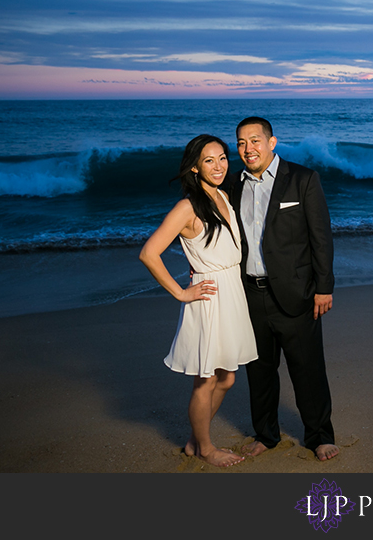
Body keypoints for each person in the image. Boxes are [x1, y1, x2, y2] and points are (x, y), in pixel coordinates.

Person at [139, 134, 258, 468]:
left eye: (222, 158)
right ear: (194, 167)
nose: (219, 166)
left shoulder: (222, 196)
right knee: (206, 379)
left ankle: (196, 439)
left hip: (231, 290)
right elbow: (149, 253)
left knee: (228, 378)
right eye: (209, 160)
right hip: (208, 297)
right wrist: (181, 292)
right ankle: (206, 447)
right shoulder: (187, 207)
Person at [229, 116, 339, 461]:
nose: (249, 149)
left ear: (272, 142)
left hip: (297, 293)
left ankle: (320, 436)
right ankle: (266, 434)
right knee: (259, 372)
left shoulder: (303, 179)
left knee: (307, 369)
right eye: (242, 143)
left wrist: (324, 287)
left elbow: (321, 237)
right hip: (249, 294)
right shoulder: (232, 185)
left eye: (255, 141)